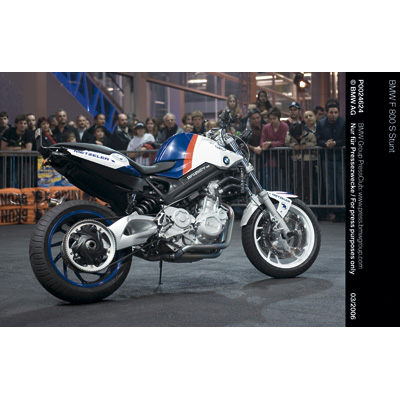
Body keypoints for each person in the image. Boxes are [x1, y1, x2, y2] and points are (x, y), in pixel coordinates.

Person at [316, 101, 345, 221]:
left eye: (336, 112)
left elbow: (346, 139)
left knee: (341, 186)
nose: (334, 115)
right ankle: (334, 211)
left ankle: (342, 213)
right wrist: (325, 143)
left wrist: (335, 143)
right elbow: (318, 140)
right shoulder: (321, 123)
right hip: (326, 158)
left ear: (339, 113)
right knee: (330, 187)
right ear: (327, 113)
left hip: (340, 159)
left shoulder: (343, 122)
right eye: (331, 112)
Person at [253, 107, 288, 191]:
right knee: (268, 186)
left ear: (278, 118)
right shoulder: (266, 127)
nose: (272, 121)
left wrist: (270, 144)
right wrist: (265, 144)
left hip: (282, 161)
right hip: (268, 161)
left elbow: (284, 142)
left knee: (282, 186)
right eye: (270, 119)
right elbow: (262, 142)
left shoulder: (284, 126)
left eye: (274, 118)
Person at [285, 122, 317, 203]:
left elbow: (314, 143)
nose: (298, 137)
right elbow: (286, 143)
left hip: (308, 160)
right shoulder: (290, 135)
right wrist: (293, 146)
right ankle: (298, 199)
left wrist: (306, 146)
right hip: (296, 160)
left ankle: (309, 199)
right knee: (297, 181)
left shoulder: (310, 135)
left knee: (308, 180)